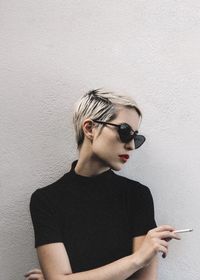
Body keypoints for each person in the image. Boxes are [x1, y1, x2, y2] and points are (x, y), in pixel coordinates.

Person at [24, 89, 181, 280]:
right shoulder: (46, 200)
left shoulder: (137, 195)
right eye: (124, 132)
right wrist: (137, 259)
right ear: (89, 128)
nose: (131, 145)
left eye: (135, 138)